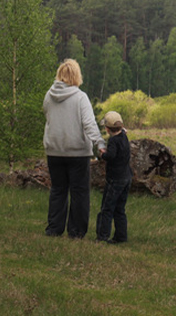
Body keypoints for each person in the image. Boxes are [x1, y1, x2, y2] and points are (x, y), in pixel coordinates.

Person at [43, 58, 106, 239]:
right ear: (77, 76)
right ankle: (76, 231)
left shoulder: (49, 96)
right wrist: (99, 144)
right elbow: (89, 124)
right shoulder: (80, 97)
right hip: (77, 152)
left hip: (54, 150)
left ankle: (54, 229)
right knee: (79, 192)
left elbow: (47, 115)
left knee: (58, 190)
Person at [95, 111, 132, 244]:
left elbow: (111, 156)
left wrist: (102, 154)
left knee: (107, 208)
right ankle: (121, 237)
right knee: (119, 209)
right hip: (127, 177)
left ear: (107, 128)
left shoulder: (113, 141)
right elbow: (122, 132)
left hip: (115, 179)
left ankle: (102, 236)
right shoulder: (123, 136)